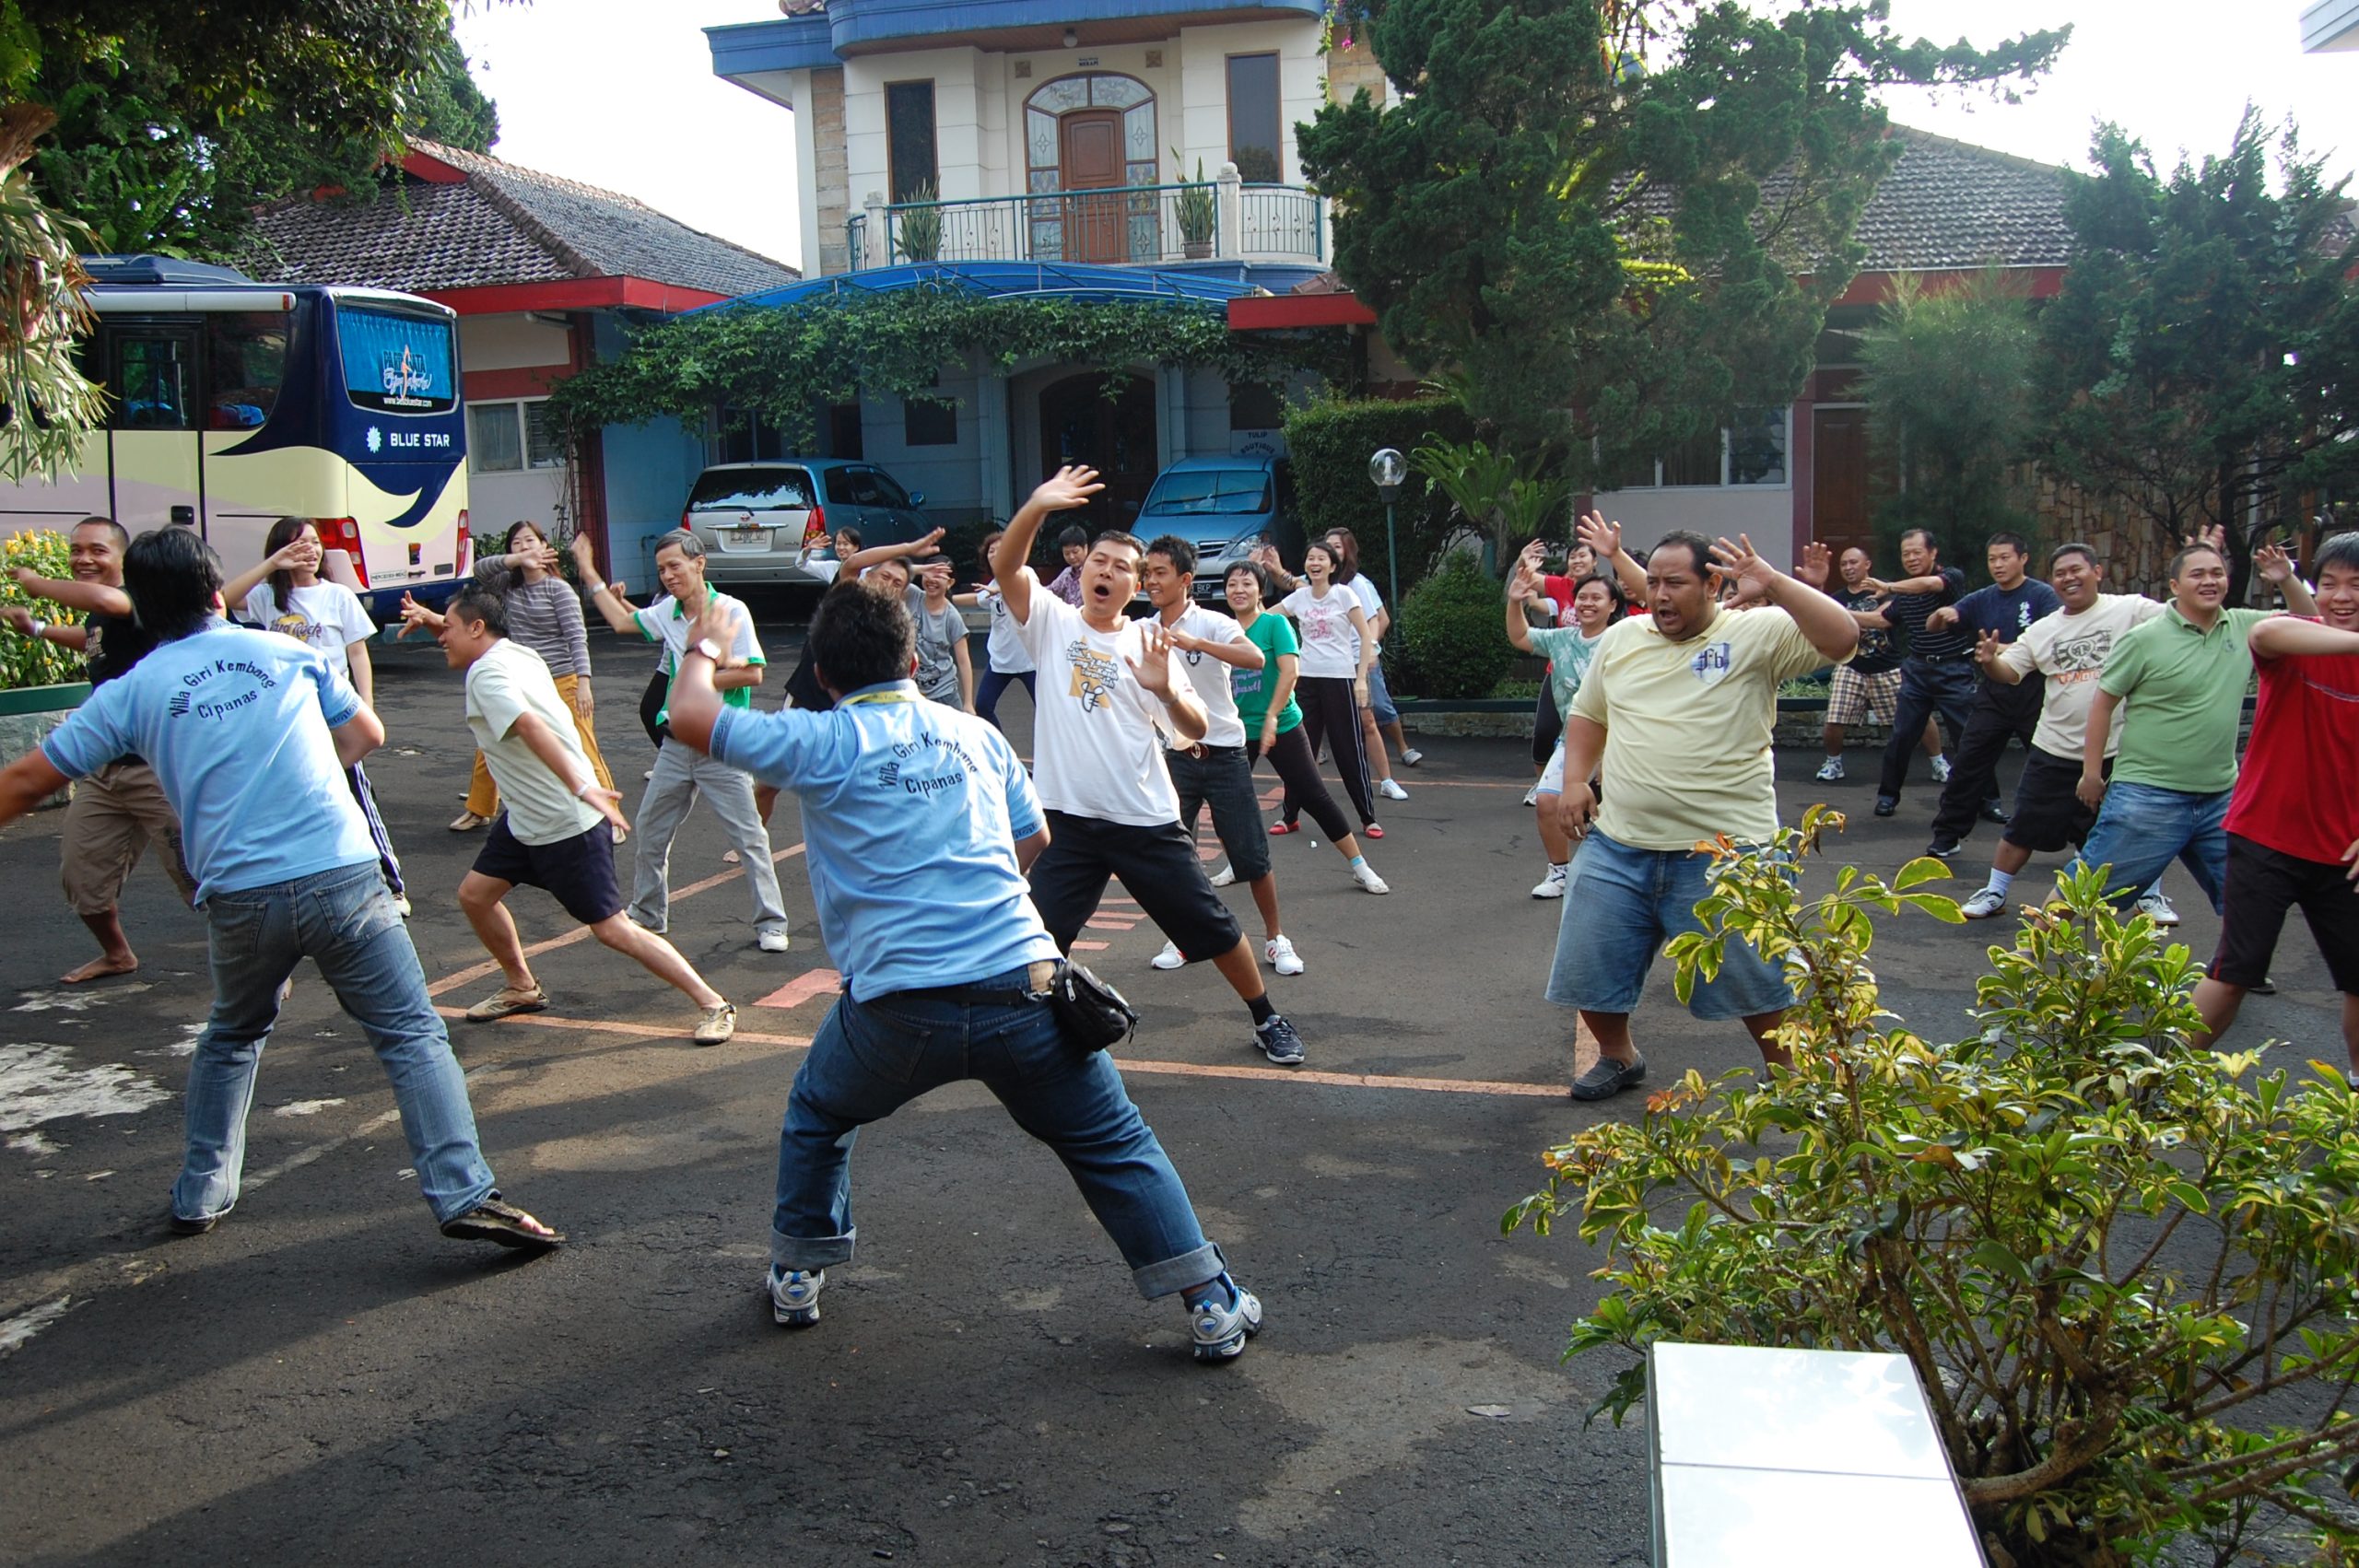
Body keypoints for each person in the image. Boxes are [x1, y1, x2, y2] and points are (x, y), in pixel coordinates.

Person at [663, 577, 1263, 1360]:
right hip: (1028, 989)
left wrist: (706, 645)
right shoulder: (974, 735)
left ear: (825, 672)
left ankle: (800, 1274)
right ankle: (1212, 1303)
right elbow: (1035, 841)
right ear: (914, 658)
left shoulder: (818, 738)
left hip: (895, 1013)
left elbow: (689, 716)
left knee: (819, 1114)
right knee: (1114, 1143)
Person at [0, 526, 562, 1249]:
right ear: (214, 592)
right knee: (412, 1035)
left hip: (240, 894)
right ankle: (465, 1193)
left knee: (233, 1034)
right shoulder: (284, 651)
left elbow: (24, 781)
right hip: (342, 873)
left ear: (137, 607)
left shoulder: (131, 689)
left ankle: (202, 1191)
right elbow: (367, 735)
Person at [991, 467, 1310, 1066]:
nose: (1106, 572)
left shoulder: (1147, 640)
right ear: (1082, 572)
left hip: (1143, 818)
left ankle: (1267, 1017)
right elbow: (1008, 567)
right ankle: (1031, 1031)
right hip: (1069, 820)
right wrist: (1036, 504)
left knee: (1212, 928)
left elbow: (1192, 728)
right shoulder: (1052, 623)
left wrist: (1167, 690)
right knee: (1037, 933)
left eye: (1120, 567)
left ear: (1138, 585)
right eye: (1099, 563)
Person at [1549, 533, 1855, 1100]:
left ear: (1713, 584)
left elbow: (1844, 638)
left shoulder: (1755, 633)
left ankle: (1793, 1080)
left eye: (1675, 583)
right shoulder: (1621, 639)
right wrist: (1574, 781)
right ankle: (1618, 1057)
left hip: (1727, 852)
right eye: (1654, 583)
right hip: (1620, 842)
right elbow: (1589, 714)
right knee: (1591, 964)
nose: (1658, 595)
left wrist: (1780, 584)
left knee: (1758, 978)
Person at [396, 583, 738, 1044]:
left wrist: (583, 786)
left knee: (614, 930)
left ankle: (714, 1003)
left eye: (449, 629)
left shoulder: (486, 676)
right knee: (476, 895)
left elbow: (530, 726)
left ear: (477, 628)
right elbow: (479, 640)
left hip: (564, 823)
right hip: (526, 821)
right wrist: (437, 619)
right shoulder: (517, 653)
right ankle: (521, 986)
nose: (442, 639)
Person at [569, 531, 792, 952]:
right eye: (661, 570)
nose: (669, 576)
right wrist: (587, 570)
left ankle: (772, 922)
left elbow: (753, 673)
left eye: (675, 566)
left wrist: (697, 676)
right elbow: (619, 621)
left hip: (720, 742)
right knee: (651, 831)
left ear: (699, 563)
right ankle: (648, 913)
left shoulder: (729, 610)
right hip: (676, 744)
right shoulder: (666, 612)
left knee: (749, 838)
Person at [2071, 536, 2315, 918]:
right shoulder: (2144, 639)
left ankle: (2238, 974)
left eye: (2217, 574)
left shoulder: (2245, 627)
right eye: (2197, 574)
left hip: (2221, 797)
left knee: (2249, 894)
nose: (2209, 581)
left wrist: (2286, 579)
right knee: (2087, 888)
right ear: (2174, 586)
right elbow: (2103, 704)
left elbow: (2309, 624)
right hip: (2148, 794)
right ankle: (2027, 954)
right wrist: (2091, 773)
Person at [2189, 531, 2359, 1071]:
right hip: (2265, 835)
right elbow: (2266, 631)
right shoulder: (2296, 641)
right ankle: (2155, 1082)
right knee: (2236, 969)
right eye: (2329, 583)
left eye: (2356, 585)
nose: (2341, 596)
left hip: (2344, 852)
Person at [4, 516, 197, 982]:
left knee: (200, 880)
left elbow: (108, 601)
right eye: (76, 550)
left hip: (157, 771)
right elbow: (94, 644)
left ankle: (264, 967)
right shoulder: (101, 618)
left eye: (96, 550)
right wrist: (38, 629)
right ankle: (117, 955)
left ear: (122, 560)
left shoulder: (133, 600)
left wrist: (36, 583)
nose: (82, 559)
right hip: (104, 772)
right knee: (82, 877)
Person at [1956, 543, 2167, 920]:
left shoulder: (2130, 610)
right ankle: (1995, 891)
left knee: (2132, 829)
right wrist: (1990, 662)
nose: (2069, 578)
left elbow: (2180, 619)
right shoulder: (2044, 630)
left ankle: (2150, 896)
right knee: (2023, 828)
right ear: (2051, 582)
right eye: (2060, 574)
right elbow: (2011, 672)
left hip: (2120, 749)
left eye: (2077, 570)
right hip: (2055, 749)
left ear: (2097, 572)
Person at [1137, 535, 1307, 977]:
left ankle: (1275, 939)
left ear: (1185, 579)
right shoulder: (1142, 630)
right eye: (1147, 573)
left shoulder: (1212, 623)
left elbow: (1253, 658)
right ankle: (1183, 937)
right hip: (1176, 756)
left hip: (1225, 754)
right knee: (1176, 853)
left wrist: (1196, 643)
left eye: (1160, 573)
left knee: (1251, 855)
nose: (1150, 581)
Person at [225, 516, 407, 914]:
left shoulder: (337, 595)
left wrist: (366, 707)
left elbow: (358, 653)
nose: (308, 550)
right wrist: (274, 564)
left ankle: (391, 885)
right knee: (296, 794)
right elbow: (224, 598)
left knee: (355, 793)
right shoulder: (267, 597)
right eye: (297, 544)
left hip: (335, 711)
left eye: (312, 542)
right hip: (288, 715)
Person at [1218, 561, 1388, 895]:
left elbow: (1290, 673)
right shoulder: (1221, 630)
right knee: (1228, 803)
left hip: (1282, 726)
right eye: (1232, 585)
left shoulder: (1274, 625)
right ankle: (1237, 865)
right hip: (1236, 731)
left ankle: (1360, 866)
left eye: (1247, 584)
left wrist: (1271, 717)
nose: (1239, 590)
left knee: (1314, 796)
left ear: (1261, 591)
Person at [448, 521, 617, 841]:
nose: (524, 548)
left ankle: (610, 812)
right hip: (519, 676)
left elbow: (577, 637)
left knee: (582, 745)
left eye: (531, 541)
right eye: (516, 544)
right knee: (491, 743)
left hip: (560, 675)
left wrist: (584, 682)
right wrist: (516, 562)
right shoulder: (506, 586)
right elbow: (480, 569)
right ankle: (479, 809)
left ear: (545, 546)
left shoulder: (558, 589)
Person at [1919, 532, 2062, 858]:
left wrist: (1996, 649)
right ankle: (1947, 835)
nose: (1997, 565)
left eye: (2004, 558)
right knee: (1969, 761)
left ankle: (2084, 838)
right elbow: (1932, 627)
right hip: (1994, 695)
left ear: (2023, 558)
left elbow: (2049, 645)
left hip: (2036, 693)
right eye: (1992, 559)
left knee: (2053, 765)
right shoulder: (1982, 598)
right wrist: (1942, 615)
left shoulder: (2043, 596)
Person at [1515, 515, 1651, 806]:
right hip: (1563, 680)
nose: (1587, 603)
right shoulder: (1564, 604)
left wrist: (1615, 553)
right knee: (1546, 746)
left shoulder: (1632, 629)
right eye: (1583, 598)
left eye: (1583, 556)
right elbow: (1524, 615)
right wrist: (1522, 570)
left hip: (1615, 729)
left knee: (1604, 801)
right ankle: (1546, 787)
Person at [1506, 559, 1618, 899]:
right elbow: (1521, 636)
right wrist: (1514, 601)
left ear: (1613, 605)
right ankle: (1560, 872)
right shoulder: (1561, 640)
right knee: (1546, 801)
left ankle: (1616, 880)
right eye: (1582, 597)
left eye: (1597, 598)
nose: (1587, 603)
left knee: (1615, 813)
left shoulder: (1623, 640)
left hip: (1621, 743)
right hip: (1574, 742)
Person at [1261, 539, 1382, 838]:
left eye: (1321, 559)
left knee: (1348, 750)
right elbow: (1263, 618)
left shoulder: (1344, 594)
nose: (1315, 563)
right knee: (1300, 752)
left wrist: (1362, 679)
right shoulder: (1299, 598)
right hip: (1307, 680)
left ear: (1332, 566)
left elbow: (1366, 637)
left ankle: (1368, 818)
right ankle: (1290, 816)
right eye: (1310, 558)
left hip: (1339, 679)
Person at [1865, 529, 1974, 818]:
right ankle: (1887, 796)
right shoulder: (1904, 593)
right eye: (1906, 554)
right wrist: (1832, 612)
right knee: (1901, 737)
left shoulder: (1950, 578)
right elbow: (1880, 620)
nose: (1911, 558)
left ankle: (1987, 800)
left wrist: (1889, 586)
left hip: (1954, 668)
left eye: (1917, 552)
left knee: (1970, 738)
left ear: (1933, 552)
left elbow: (1929, 585)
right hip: (1917, 670)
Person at [1813, 545, 1938, 783]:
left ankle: (1939, 762)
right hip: (1851, 665)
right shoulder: (1838, 598)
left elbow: (1881, 620)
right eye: (1844, 564)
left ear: (1867, 564)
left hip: (1888, 666)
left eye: (1854, 562)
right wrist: (1822, 594)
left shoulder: (1887, 591)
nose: (1848, 568)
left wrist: (1840, 615)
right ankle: (1833, 764)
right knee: (1834, 719)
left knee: (1919, 716)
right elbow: (1821, 620)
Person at [957, 529, 1038, 732]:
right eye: (991, 551)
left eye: (1000, 550)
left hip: (1030, 661)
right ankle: (1003, 750)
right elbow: (976, 599)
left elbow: (1030, 589)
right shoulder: (991, 585)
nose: (994, 554)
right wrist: (944, 598)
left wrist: (1001, 590)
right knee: (983, 707)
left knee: (1048, 710)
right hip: (1000, 661)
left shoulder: (1026, 572)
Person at [910, 556, 973, 711]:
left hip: (944, 693)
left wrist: (968, 703)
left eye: (938, 575)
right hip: (912, 693)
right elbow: (882, 571)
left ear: (950, 583)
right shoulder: (912, 596)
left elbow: (964, 661)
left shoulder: (952, 617)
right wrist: (919, 569)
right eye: (929, 573)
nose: (932, 580)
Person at [1043, 523, 1090, 607]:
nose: (1071, 557)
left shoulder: (1094, 572)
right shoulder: (1066, 574)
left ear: (1085, 548)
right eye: (1067, 553)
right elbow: (1050, 591)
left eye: (1075, 552)